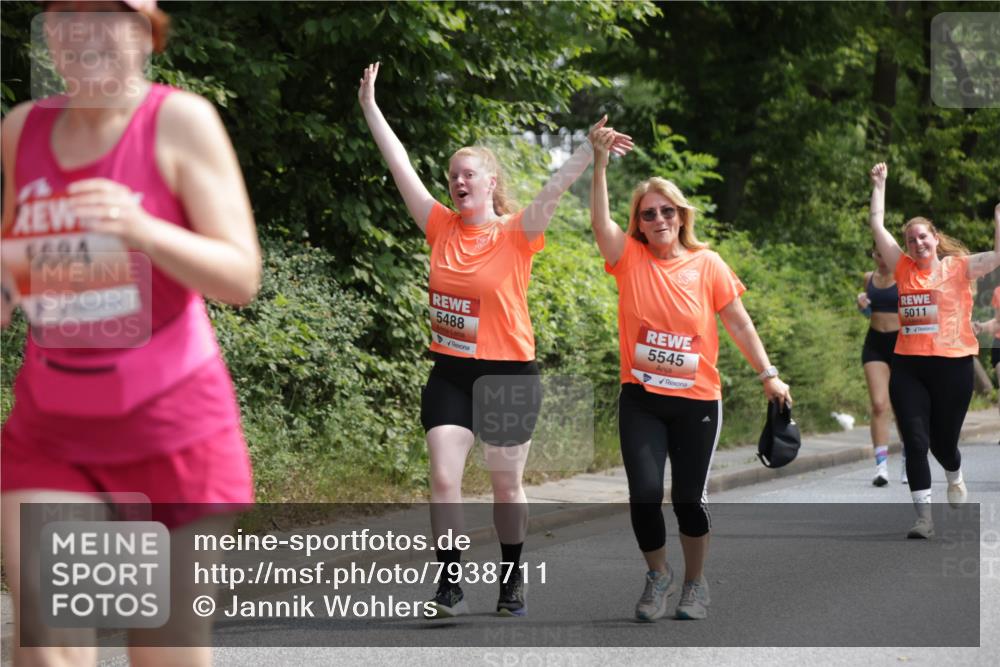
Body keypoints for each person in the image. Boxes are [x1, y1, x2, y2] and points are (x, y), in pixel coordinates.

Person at [1, 2, 261, 665]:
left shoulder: (180, 121)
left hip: (174, 431)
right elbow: (14, 260)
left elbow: (240, 276)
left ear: (147, 33)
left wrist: (143, 230)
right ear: (49, 33)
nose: (86, 31)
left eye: (110, 14)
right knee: (47, 639)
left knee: (164, 648)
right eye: (69, 14)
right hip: (53, 430)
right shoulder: (21, 129)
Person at [358, 62, 632, 618]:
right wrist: (370, 106)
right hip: (451, 372)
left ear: (490, 184)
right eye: (452, 176)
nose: (458, 182)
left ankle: (511, 578)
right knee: (443, 477)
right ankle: (450, 586)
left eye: (468, 175)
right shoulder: (439, 226)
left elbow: (555, 190)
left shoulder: (516, 233)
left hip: (508, 374)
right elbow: (399, 163)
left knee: (506, 487)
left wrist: (588, 149)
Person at [589, 126, 791, 621]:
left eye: (667, 211)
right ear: (638, 224)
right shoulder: (629, 258)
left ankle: (695, 584)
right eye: (648, 213)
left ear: (681, 216)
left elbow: (739, 323)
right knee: (643, 495)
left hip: (697, 401)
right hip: (641, 399)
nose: (658, 219)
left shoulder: (708, 264)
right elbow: (598, 221)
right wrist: (599, 162)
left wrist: (768, 374)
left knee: (688, 500)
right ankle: (658, 575)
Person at [868, 163, 999, 539]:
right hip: (909, 366)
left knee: (943, 444)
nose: (918, 244)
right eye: (911, 240)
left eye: (923, 237)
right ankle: (923, 517)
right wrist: (879, 184)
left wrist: (997, 220)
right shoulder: (903, 267)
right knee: (915, 440)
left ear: (935, 238)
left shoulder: (959, 268)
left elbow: (997, 257)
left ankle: (954, 473)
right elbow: (877, 225)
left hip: (953, 366)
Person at [856, 245, 903, 486]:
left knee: (903, 407)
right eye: (878, 254)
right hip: (874, 344)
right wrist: (863, 306)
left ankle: (909, 459)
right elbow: (869, 313)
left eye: (886, 254)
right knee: (878, 404)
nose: (882, 259)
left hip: (901, 344)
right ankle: (881, 467)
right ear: (873, 255)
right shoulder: (868, 278)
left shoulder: (904, 277)